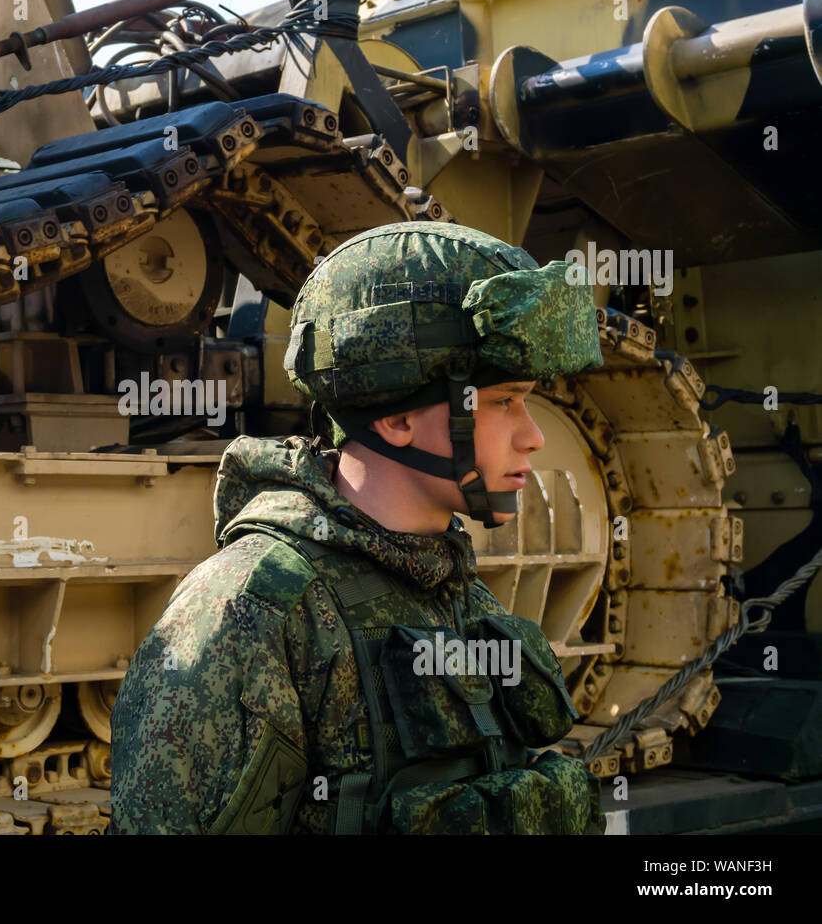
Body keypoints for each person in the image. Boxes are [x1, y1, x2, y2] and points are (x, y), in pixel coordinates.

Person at [109, 221, 607, 834]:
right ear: (396, 417)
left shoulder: (443, 584)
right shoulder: (250, 610)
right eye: (503, 401)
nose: (533, 436)